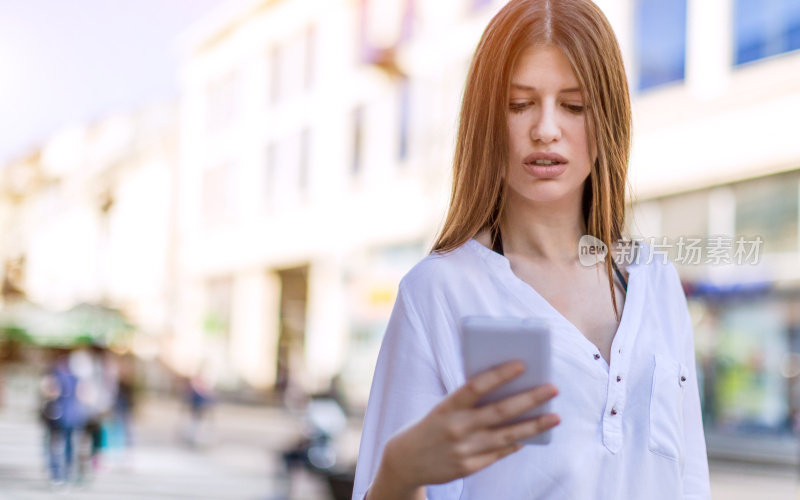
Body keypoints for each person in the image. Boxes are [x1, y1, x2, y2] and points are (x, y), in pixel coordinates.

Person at [351, 1, 711, 499]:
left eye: (574, 105)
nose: (546, 128)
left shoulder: (656, 279)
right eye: (520, 105)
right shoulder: (439, 293)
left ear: (607, 117)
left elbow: (690, 481)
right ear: (487, 122)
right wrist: (396, 475)